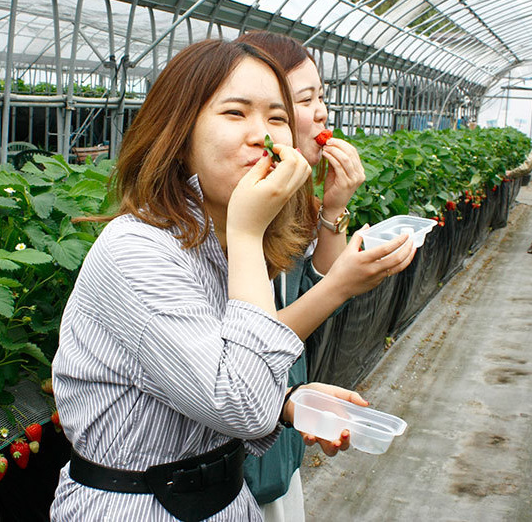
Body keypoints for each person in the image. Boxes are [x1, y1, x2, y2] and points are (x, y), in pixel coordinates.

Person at [50, 39, 382, 522]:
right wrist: (248, 233)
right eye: (235, 113)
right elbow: (240, 403)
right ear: (179, 135)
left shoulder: (215, 237)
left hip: (227, 501)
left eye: (276, 118)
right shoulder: (136, 251)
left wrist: (288, 402)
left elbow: (211, 370)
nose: (261, 136)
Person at [237, 31, 416, 521]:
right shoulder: (230, 214)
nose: (322, 113)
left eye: (323, 97)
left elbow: (310, 283)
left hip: (281, 419)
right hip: (229, 450)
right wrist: (342, 285)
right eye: (305, 100)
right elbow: (246, 349)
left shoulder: (288, 196)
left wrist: (334, 207)